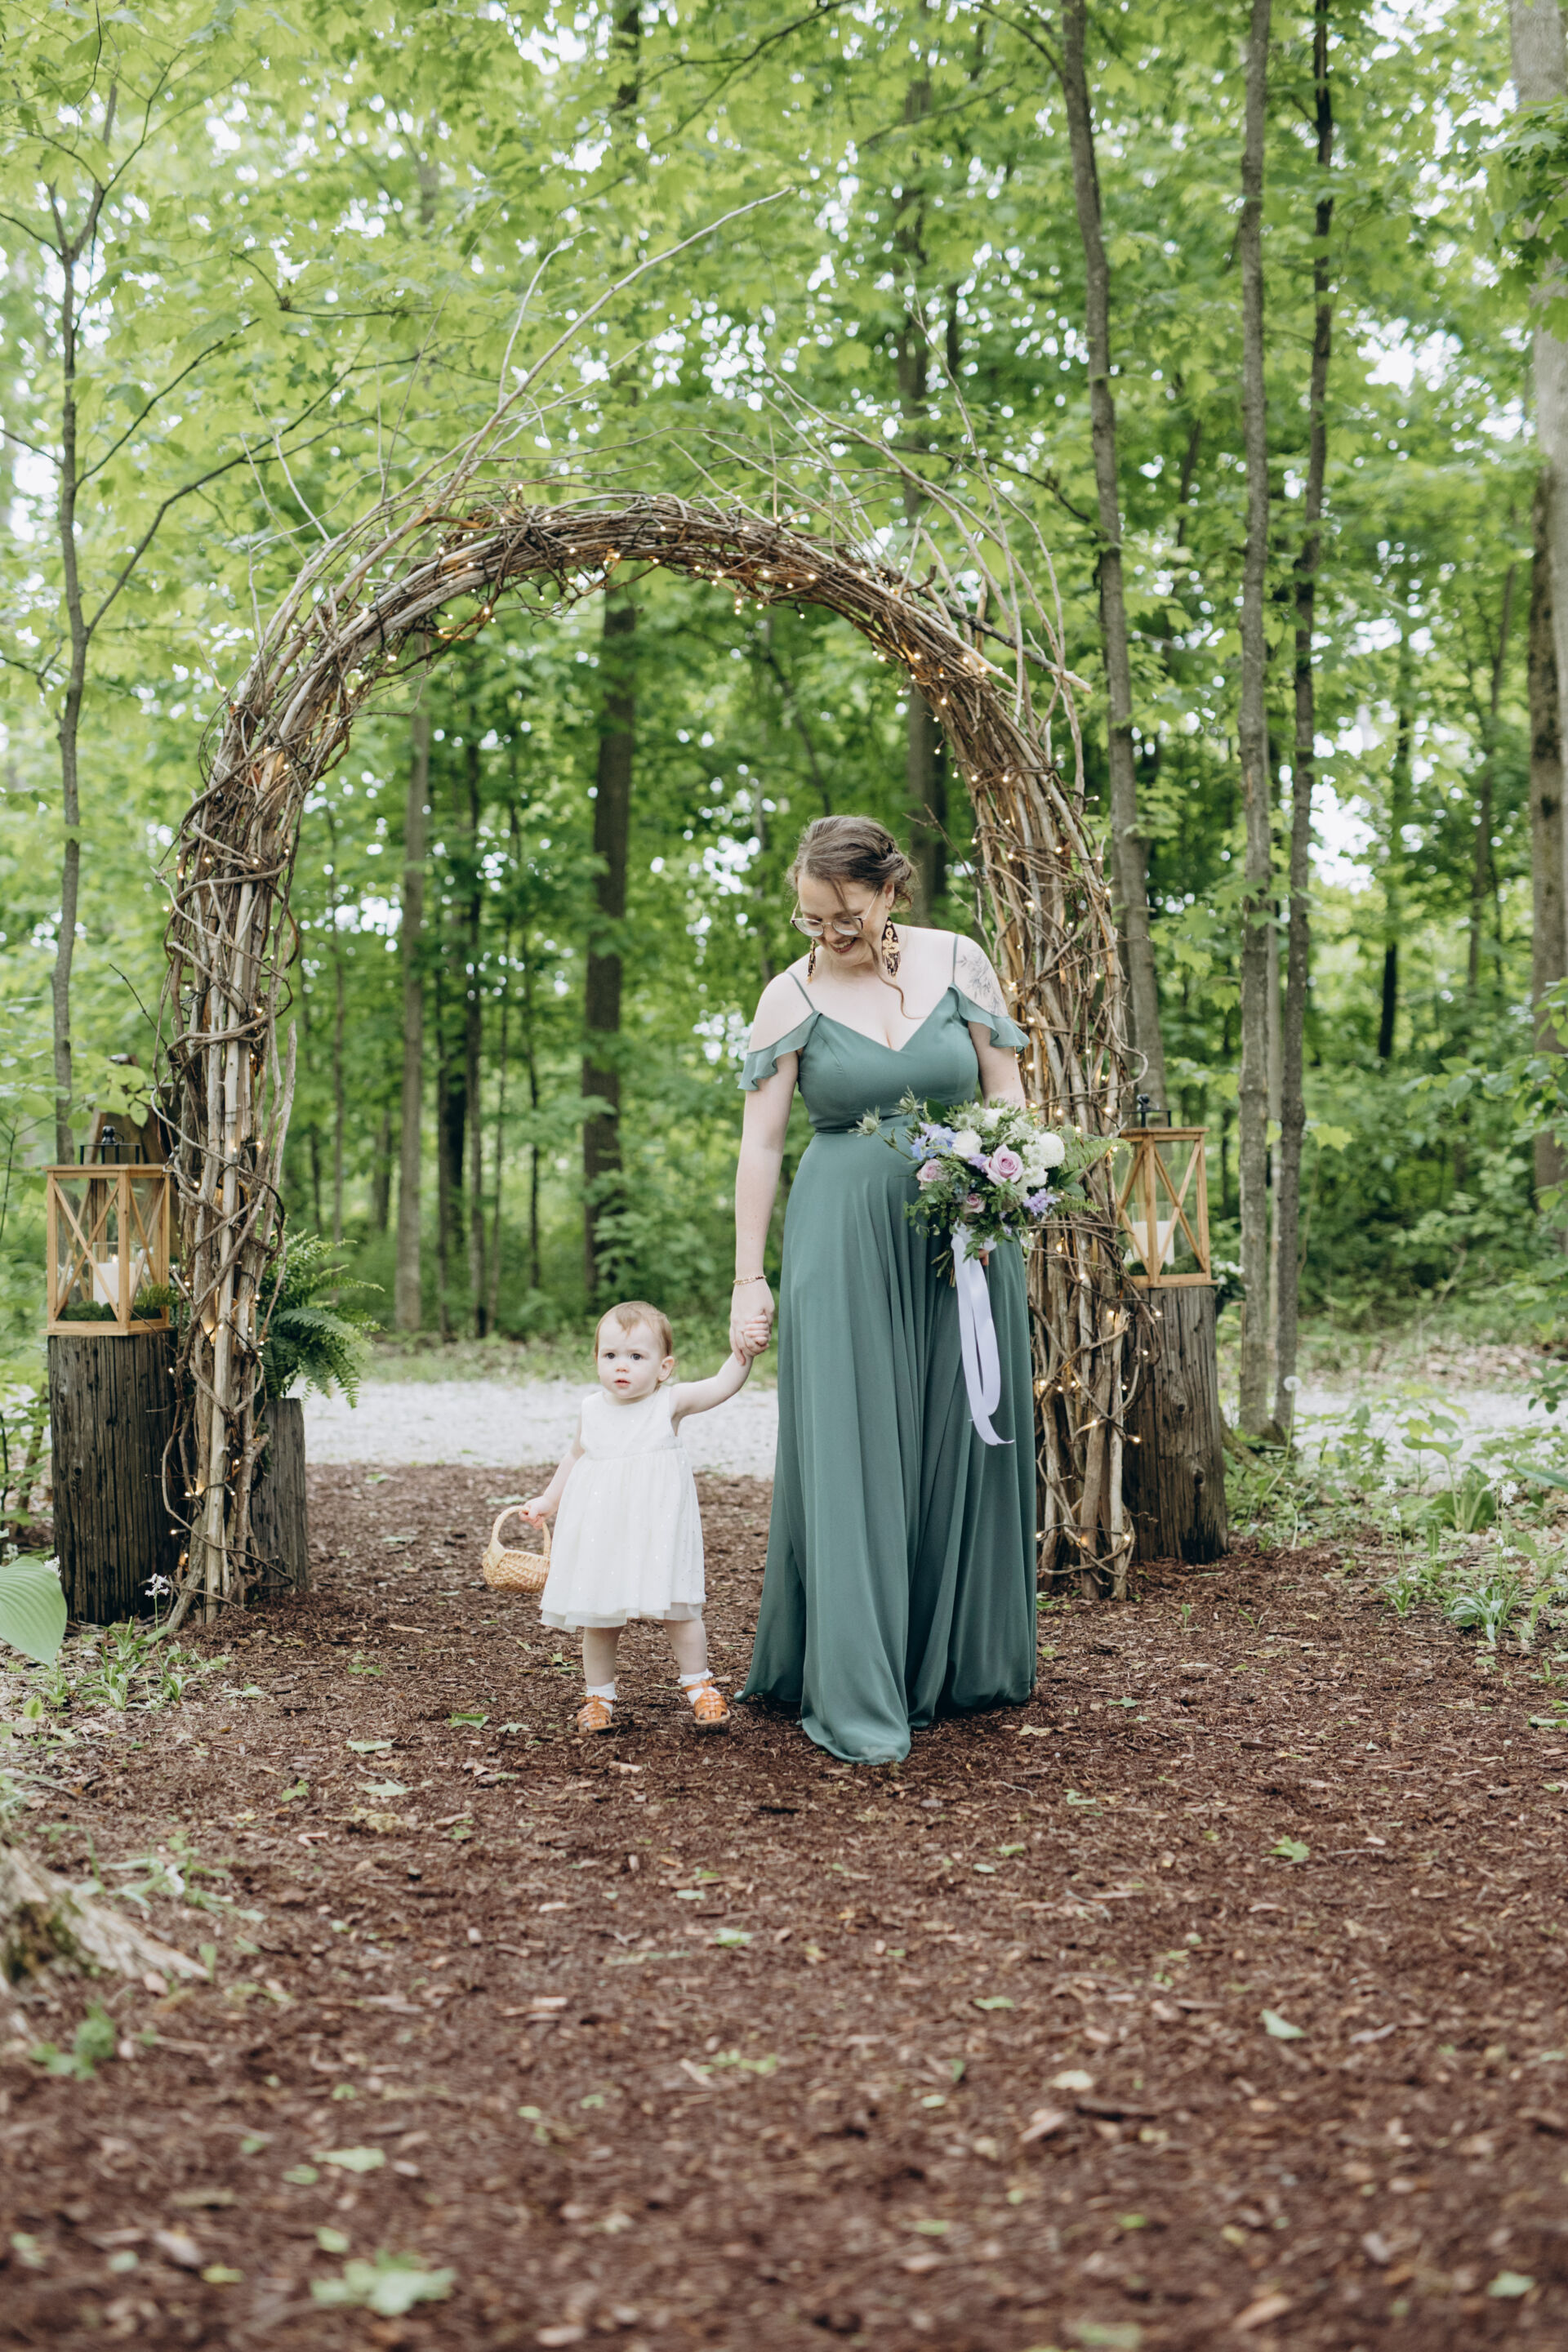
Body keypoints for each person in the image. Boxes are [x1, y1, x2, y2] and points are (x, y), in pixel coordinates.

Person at [732, 814, 1036, 1764]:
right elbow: (762, 1145)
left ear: (891, 892)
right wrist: (749, 1276)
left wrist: (1008, 1177)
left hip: (967, 1236)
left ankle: (957, 1666)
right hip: (843, 1241)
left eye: (846, 917)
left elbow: (1007, 1094)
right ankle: (859, 1683)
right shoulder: (789, 995)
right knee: (855, 1446)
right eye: (811, 918)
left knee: (959, 1434)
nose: (828, 935)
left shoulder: (961, 962)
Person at [523, 1301, 764, 1735]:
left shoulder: (668, 1403)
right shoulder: (591, 1409)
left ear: (663, 1367)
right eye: (610, 1355)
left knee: (680, 1610)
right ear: (596, 1359)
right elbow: (575, 1456)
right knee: (599, 1616)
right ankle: (598, 1697)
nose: (622, 1365)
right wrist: (548, 1500)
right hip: (603, 1530)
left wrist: (743, 1351)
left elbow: (722, 1385)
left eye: (636, 1356)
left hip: (657, 1529)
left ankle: (699, 1685)